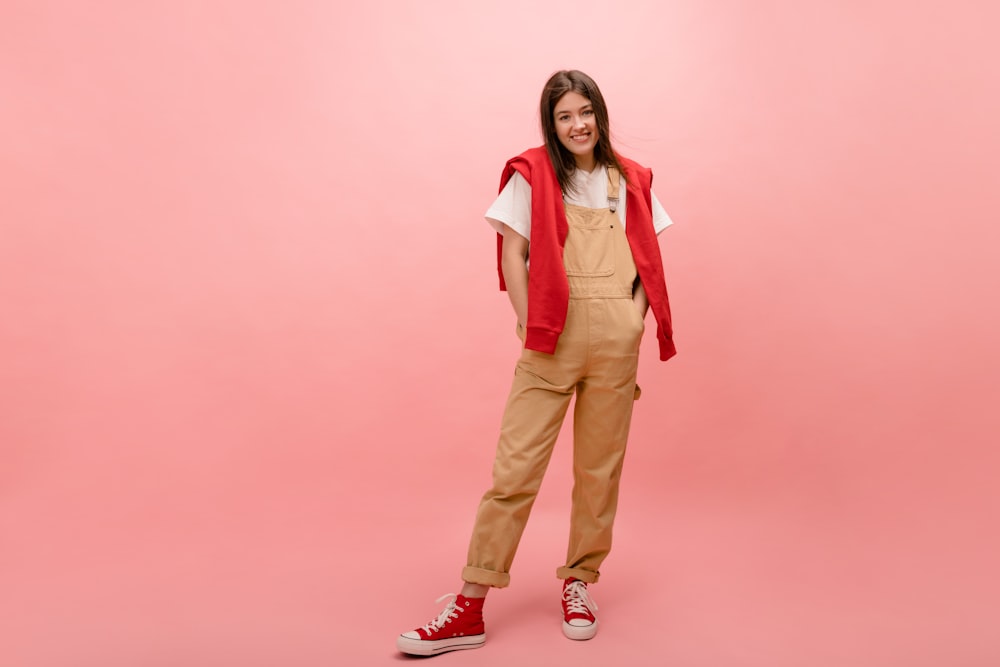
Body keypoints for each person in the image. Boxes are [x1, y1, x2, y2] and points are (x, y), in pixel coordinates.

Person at [396, 69, 676, 657]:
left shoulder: (631, 180)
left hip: (615, 345)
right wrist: (529, 325)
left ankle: (579, 582)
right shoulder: (531, 176)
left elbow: (648, 256)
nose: (578, 125)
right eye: (564, 116)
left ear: (600, 114)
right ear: (551, 124)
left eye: (586, 112)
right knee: (514, 473)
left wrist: (633, 320)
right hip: (552, 339)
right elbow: (514, 254)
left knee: (599, 473)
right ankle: (469, 606)